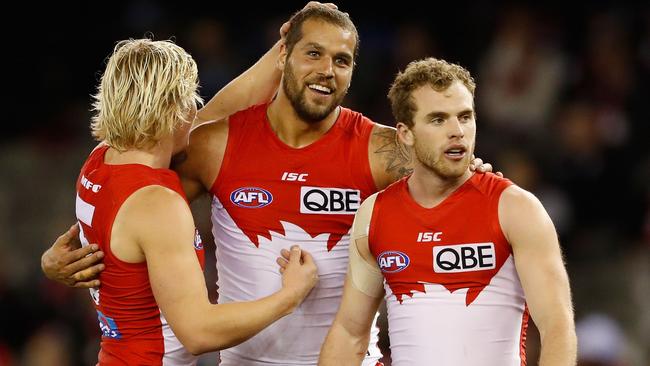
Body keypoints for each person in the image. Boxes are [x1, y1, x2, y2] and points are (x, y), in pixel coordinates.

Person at [42, 4, 495, 365]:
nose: (327, 69)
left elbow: (457, 179)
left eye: (342, 60)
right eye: (312, 53)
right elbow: (191, 323)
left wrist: (470, 168)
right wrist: (291, 295)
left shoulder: (103, 162)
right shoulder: (197, 161)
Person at [67, 38, 317, 365]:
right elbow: (199, 332)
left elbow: (217, 115)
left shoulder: (100, 162)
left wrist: (284, 47)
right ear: (173, 110)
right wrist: (290, 296)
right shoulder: (156, 204)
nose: (196, 109)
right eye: (189, 100)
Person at [316, 57, 577, 365]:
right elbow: (350, 333)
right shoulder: (374, 214)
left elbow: (557, 327)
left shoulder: (515, 208)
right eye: (438, 119)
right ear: (405, 134)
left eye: (465, 117)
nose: (457, 131)